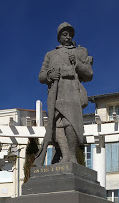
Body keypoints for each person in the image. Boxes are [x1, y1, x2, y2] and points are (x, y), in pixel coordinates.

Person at [34, 23, 93, 165]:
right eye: (64, 34)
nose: (68, 37)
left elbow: (89, 74)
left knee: (71, 123)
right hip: (56, 92)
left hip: (72, 90)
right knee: (57, 125)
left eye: (70, 34)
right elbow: (41, 76)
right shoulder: (51, 54)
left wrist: (77, 63)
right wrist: (50, 74)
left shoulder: (80, 52)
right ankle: (65, 156)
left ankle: (72, 157)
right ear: (59, 37)